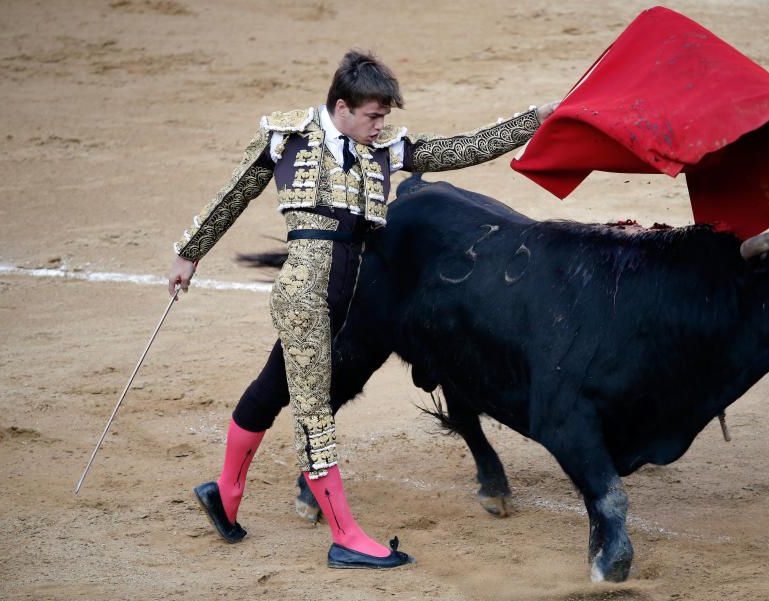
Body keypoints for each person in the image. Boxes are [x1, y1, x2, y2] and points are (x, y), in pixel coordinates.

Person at [168, 49, 557, 569]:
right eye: (373, 116)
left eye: (384, 118)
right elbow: (233, 194)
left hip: (344, 297)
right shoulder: (288, 137)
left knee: (270, 390)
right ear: (342, 107)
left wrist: (533, 121)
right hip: (305, 295)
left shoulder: (381, 150)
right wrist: (189, 253)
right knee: (314, 416)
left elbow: (460, 149)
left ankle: (224, 495)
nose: (380, 126)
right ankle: (346, 536)